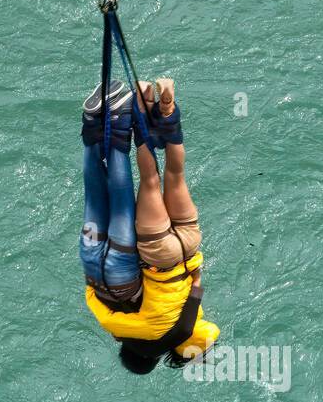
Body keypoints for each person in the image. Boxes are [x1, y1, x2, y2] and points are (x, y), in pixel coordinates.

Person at [79, 77, 219, 373]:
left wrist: (195, 279)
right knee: (147, 183)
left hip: (189, 251)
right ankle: (132, 116)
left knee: (174, 175)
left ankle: (164, 109)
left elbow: (194, 299)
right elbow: (109, 320)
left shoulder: (189, 326)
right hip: (158, 259)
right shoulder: (148, 337)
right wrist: (92, 294)